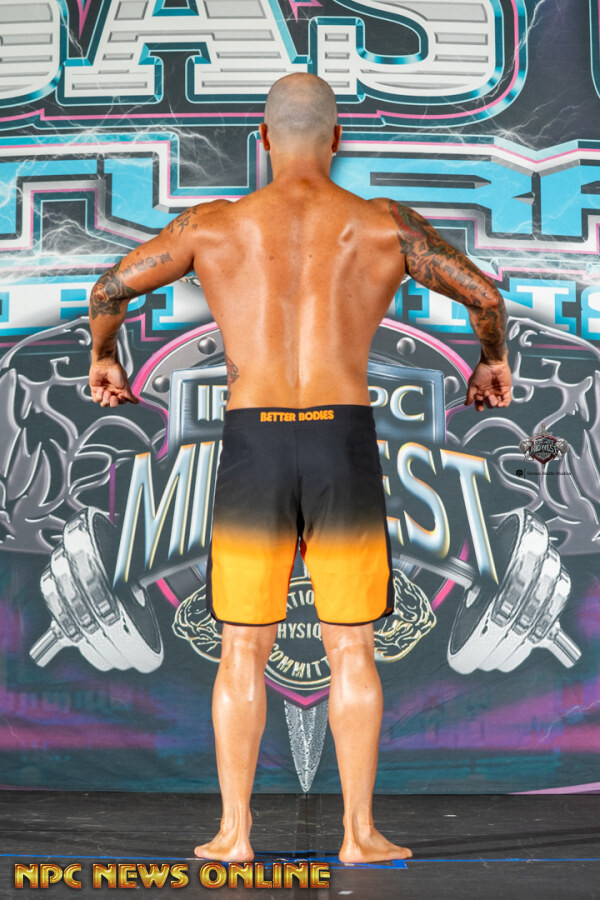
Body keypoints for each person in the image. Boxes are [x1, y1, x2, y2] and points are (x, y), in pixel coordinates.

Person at [88, 73, 512, 864]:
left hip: (253, 443)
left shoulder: (213, 226)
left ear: (262, 138)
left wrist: (105, 357)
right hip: (338, 441)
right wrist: (490, 363)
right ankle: (358, 835)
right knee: (351, 648)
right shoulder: (382, 225)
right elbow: (485, 296)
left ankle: (233, 835)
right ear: (338, 138)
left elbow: (109, 288)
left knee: (241, 649)